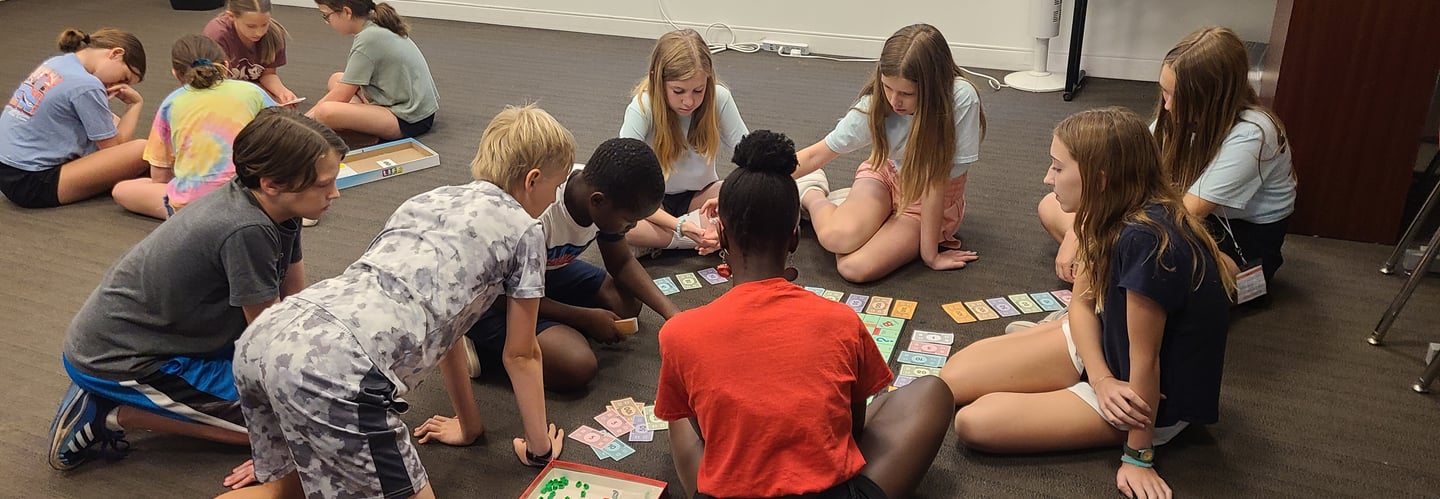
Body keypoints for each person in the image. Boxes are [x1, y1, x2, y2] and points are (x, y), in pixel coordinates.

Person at [222, 104, 572, 499]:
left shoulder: (427, 199)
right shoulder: (526, 231)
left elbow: (448, 327)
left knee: (289, 489)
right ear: (532, 180)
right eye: (556, 187)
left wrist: (468, 425)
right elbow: (521, 355)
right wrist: (540, 450)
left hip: (268, 337)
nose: (555, 198)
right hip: (338, 368)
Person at [938, 108, 1235, 499]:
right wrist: (1099, 376)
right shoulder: (1106, 209)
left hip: (1140, 395)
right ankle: (1059, 358)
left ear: (1100, 178)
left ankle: (1064, 373)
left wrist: (1138, 457)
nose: (1047, 178)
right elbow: (1081, 304)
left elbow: (1145, 361)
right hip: (1107, 354)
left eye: (1058, 168)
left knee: (974, 423)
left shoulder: (1145, 242)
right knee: (951, 378)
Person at [47, 108, 340, 492]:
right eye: (324, 184)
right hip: (124, 359)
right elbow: (268, 336)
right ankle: (107, 411)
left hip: (180, 335)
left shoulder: (280, 206)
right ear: (271, 183)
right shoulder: (246, 228)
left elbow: (293, 298)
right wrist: (285, 440)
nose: (335, 193)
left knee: (303, 399)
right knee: (284, 428)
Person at [656, 130, 954, 499]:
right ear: (795, 236)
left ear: (722, 234)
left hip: (729, 491)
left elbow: (706, 434)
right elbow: (852, 431)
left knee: (677, 406)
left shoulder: (680, 332)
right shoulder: (841, 320)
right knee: (931, 392)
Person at [1040, 26, 1295, 284]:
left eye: (1179, 97)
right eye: (1165, 91)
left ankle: (1112, 272)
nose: (1168, 105)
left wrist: (1090, 234)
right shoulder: (1176, 118)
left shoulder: (1254, 134)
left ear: (1212, 98)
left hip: (1234, 244)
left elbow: (1184, 215)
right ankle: (1114, 271)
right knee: (1052, 206)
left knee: (1147, 252)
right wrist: (1081, 230)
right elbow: (1130, 174)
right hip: (1177, 219)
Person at [464, 137, 680, 391]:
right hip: (492, 298)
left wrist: (673, 315)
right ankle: (481, 345)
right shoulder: (537, 217)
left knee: (627, 305)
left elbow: (621, 262)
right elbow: (506, 295)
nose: (632, 227)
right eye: (629, 221)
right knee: (578, 365)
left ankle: (552, 330)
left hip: (544, 272)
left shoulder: (599, 192)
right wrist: (584, 318)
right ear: (597, 201)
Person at [790, 23, 985, 283]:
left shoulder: (960, 99)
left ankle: (857, 215)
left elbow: (935, 184)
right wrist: (749, 186)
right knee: (835, 238)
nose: (894, 101)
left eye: (907, 93)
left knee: (853, 268)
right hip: (884, 174)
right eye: (887, 87)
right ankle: (811, 193)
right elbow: (816, 155)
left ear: (933, 88)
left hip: (926, 200)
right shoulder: (876, 105)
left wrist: (931, 256)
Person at [112, 34, 275, 219]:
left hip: (194, 203)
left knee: (122, 189)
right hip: (253, 196)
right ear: (226, 64)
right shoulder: (252, 91)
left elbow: (160, 177)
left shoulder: (171, 103)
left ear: (175, 73)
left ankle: (196, 213)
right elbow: (283, 131)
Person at [620, 29, 747, 257]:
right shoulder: (642, 107)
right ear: (658, 80)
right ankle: (706, 236)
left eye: (698, 90)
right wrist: (680, 226)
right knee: (618, 222)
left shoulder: (720, 98)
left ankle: (666, 241)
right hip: (651, 203)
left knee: (751, 200)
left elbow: (751, 159)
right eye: (678, 91)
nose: (688, 101)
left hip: (701, 197)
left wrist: (733, 197)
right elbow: (621, 180)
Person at [0, 27, 148, 208]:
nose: (118, 85)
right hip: (31, 183)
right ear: (116, 54)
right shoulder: (87, 85)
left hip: (8, 169)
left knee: (112, 120)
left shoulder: (58, 62)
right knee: (142, 150)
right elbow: (114, 150)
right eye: (124, 78)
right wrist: (134, 105)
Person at [308, 0, 438, 145]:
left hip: (409, 119)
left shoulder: (368, 39)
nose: (326, 22)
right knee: (336, 78)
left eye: (326, 16)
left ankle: (365, 133)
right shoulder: (374, 25)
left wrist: (300, 123)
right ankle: (364, 123)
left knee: (324, 112)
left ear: (347, 12)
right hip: (410, 105)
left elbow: (341, 96)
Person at [204, 0, 298, 104]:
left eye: (264, 24)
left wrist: (282, 92)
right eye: (251, 26)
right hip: (221, 87)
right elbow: (218, 84)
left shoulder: (274, 35)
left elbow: (268, 74)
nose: (259, 33)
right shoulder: (218, 36)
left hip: (251, 88)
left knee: (279, 102)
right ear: (231, 16)